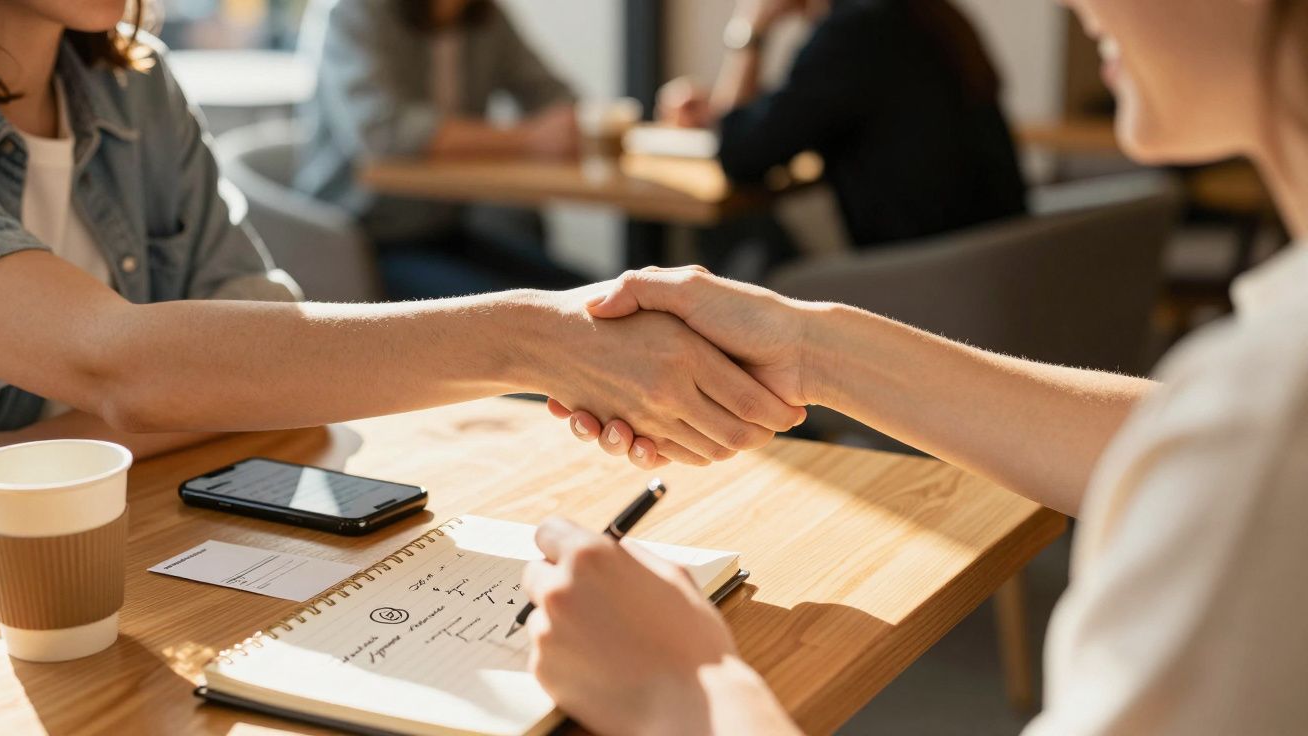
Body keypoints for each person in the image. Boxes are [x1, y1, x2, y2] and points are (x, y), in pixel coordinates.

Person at [537, 0, 1308, 733]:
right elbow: (1172, 439)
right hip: (995, 287)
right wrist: (812, 349)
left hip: (937, 283)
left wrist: (685, 692)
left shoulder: (1263, 428)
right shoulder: (1248, 416)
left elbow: (743, 151)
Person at [0, 0, 807, 467]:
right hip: (361, 233)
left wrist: (178, 393)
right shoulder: (360, 12)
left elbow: (259, 337)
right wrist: (532, 339)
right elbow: (123, 362)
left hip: (147, 527)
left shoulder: (136, 84)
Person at [658, 0, 1027, 254]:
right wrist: (719, 116)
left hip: (921, 280)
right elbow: (790, 117)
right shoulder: (924, 14)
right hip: (994, 264)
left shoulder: (853, 32)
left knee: (738, 238)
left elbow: (740, 156)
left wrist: (750, 29)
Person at [295, 0, 587, 299]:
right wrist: (527, 139)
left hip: (446, 226)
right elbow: (383, 132)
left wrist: (566, 125)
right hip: (361, 238)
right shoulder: (353, 10)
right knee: (525, 315)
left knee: (589, 294)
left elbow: (556, 96)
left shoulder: (483, 16)